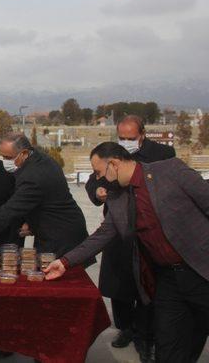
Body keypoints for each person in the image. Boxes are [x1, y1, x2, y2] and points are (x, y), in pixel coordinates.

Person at [45, 142, 209, 363]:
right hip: (168, 281)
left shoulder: (171, 171)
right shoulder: (117, 197)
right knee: (168, 348)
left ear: (113, 163)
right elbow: (102, 235)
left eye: (99, 172)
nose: (98, 178)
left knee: (195, 338)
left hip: (201, 270)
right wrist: (65, 262)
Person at [85, 115, 175, 358]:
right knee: (119, 284)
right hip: (116, 228)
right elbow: (93, 179)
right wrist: (98, 191)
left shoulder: (162, 155)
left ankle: (146, 335)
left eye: (130, 138)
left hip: (149, 229)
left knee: (147, 286)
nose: (125, 143)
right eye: (121, 138)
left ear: (142, 135)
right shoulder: (110, 153)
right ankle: (126, 327)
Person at [0, 133, 90, 264]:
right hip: (51, 232)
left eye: (8, 158)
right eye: (2, 156)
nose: (4, 162)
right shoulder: (38, 159)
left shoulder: (34, 177)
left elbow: (7, 212)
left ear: (23, 153)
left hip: (62, 239)